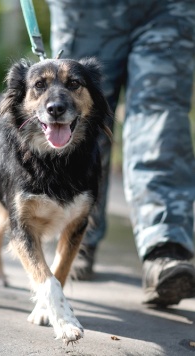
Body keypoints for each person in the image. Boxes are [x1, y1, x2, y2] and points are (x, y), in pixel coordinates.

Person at [46, 0, 195, 306]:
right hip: (86, 10)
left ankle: (164, 248)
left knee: (162, 119)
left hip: (169, 8)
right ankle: (79, 238)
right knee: (78, 121)